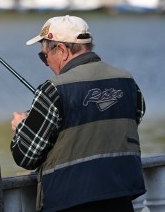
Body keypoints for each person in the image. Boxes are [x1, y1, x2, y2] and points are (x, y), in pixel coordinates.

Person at [10, 15, 146, 212]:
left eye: (44, 56)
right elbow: (133, 118)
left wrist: (22, 127)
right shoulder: (126, 80)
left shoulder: (52, 89)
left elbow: (26, 156)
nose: (46, 63)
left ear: (62, 50)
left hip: (70, 202)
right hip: (121, 197)